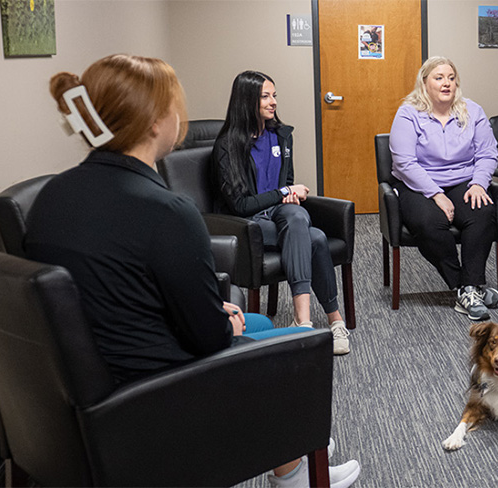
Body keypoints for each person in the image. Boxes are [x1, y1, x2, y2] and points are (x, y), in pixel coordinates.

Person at [25, 54, 360, 488]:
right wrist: (218, 317)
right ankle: (294, 467)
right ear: (153, 122)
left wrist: (215, 309)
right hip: (155, 390)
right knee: (301, 342)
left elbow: (113, 285)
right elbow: (209, 338)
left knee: (254, 318)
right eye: (173, 106)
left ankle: (292, 447)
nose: (179, 116)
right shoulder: (166, 210)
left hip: (94, 377)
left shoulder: (52, 195)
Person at [212, 71, 351, 356]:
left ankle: (304, 321)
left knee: (296, 217)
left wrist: (290, 193)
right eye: (265, 96)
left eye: (274, 95)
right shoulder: (228, 145)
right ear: (246, 100)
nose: (273, 102)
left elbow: (286, 183)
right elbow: (239, 204)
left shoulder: (281, 136)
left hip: (280, 216)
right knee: (315, 239)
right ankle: (332, 319)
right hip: (247, 224)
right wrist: (282, 194)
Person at [388, 56, 498, 320]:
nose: (446, 83)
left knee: (482, 212)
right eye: (439, 78)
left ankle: (469, 288)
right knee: (429, 223)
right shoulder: (408, 112)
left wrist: (478, 183)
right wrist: (436, 194)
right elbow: (404, 162)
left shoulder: (472, 111)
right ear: (425, 83)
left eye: (451, 78)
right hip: (417, 183)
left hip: (463, 180)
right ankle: (464, 286)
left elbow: (487, 153)